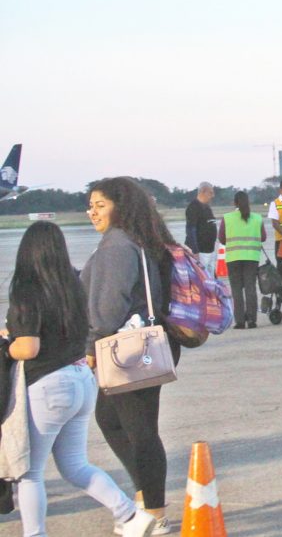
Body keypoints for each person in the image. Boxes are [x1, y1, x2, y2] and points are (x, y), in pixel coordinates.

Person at [4, 221, 158, 537]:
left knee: (29, 473)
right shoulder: (74, 284)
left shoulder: (27, 289)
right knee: (75, 465)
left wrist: (7, 344)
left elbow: (28, 348)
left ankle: (34, 534)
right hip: (80, 380)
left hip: (46, 387)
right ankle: (130, 516)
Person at [83, 176, 180, 534]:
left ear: (120, 207)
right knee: (112, 420)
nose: (92, 211)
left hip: (127, 350)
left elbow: (109, 308)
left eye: (100, 204)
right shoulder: (134, 241)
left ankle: (153, 513)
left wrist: (92, 344)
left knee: (140, 431)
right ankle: (146, 499)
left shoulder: (117, 245)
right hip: (142, 345)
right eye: (91, 205)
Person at [219, 191, 266, 329]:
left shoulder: (227, 218)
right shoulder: (257, 218)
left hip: (233, 258)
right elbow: (263, 237)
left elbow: (222, 238)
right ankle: (252, 320)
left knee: (236, 290)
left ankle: (239, 321)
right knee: (250, 288)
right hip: (252, 257)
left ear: (235, 203)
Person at [184, 181, 217, 274]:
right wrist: (195, 251)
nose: (213, 195)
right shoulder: (193, 207)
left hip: (210, 251)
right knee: (202, 278)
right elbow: (191, 230)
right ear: (203, 192)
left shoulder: (207, 207)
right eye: (211, 193)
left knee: (211, 278)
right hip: (200, 252)